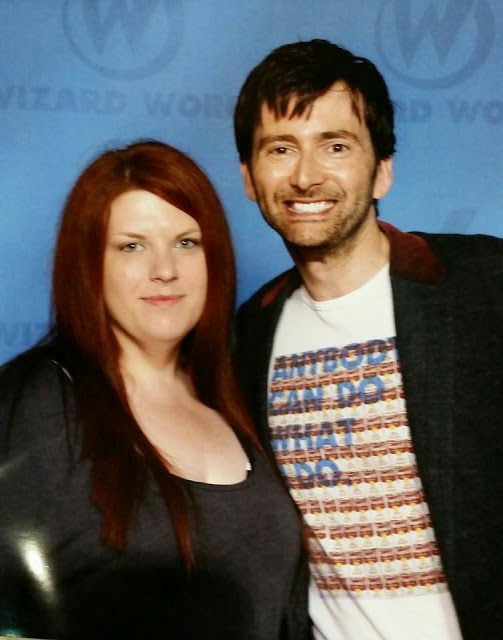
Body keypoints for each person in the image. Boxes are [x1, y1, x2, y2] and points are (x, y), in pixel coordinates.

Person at [233, 39, 503, 640]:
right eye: (280, 149)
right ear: (249, 178)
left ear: (382, 169)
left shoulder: (485, 286)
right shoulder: (246, 338)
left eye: (335, 146)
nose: (306, 176)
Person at [0, 140, 311, 640]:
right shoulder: (33, 405)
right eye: (132, 246)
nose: (164, 270)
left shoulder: (236, 392)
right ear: (89, 264)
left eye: (186, 242)